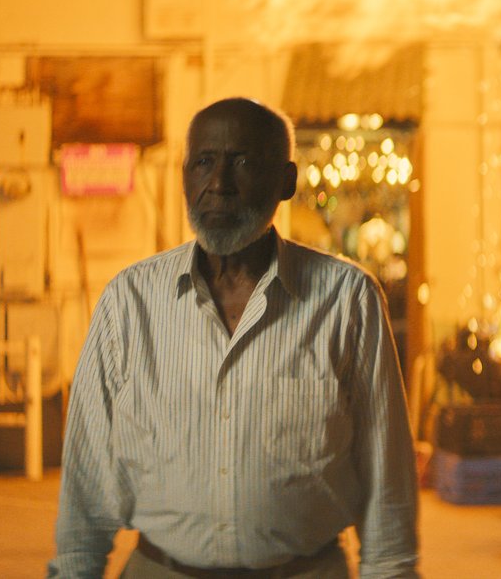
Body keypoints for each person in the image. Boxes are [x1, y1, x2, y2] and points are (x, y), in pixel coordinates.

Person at [48, 98, 419, 578]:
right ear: (185, 177)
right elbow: (84, 489)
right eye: (204, 162)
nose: (218, 185)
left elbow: (386, 485)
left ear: (286, 182)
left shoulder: (347, 301)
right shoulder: (129, 303)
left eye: (243, 163)